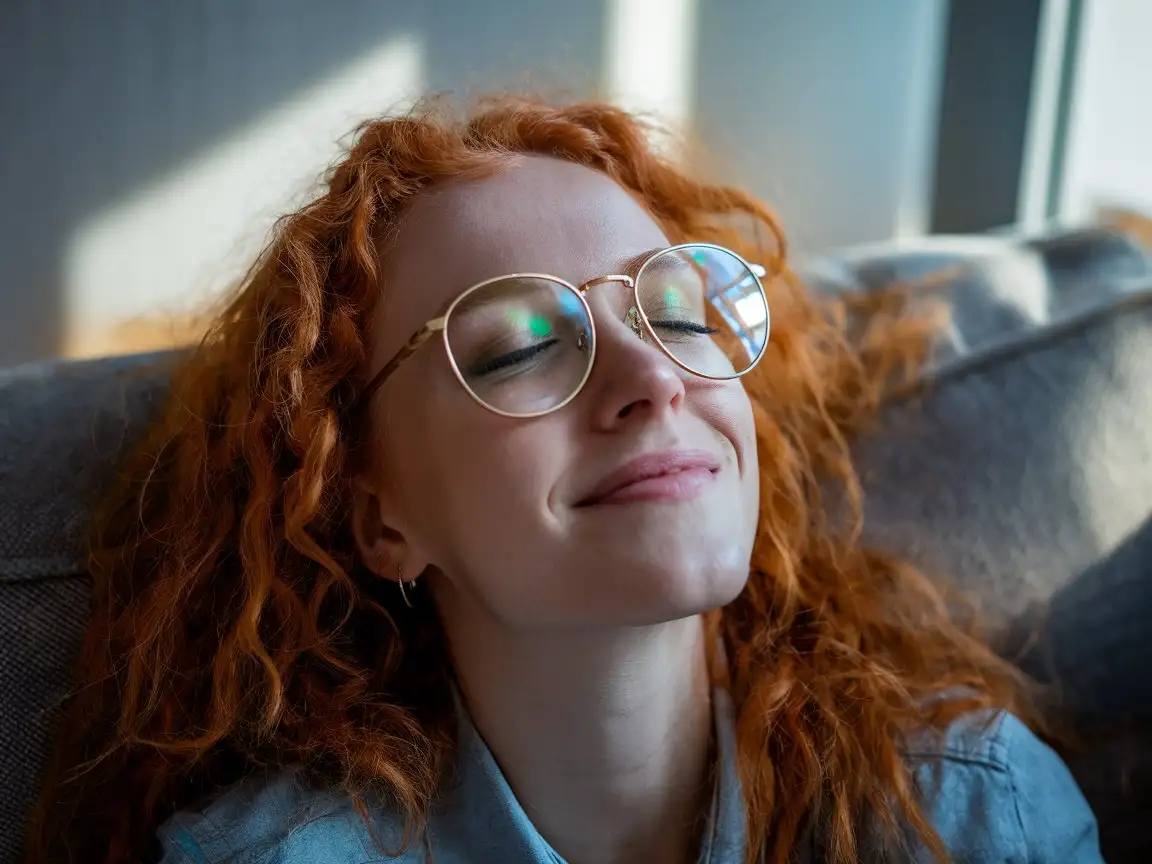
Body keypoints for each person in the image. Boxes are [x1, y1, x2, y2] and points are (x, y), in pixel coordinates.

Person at [27, 96, 1102, 864]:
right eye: (517, 349)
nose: (653, 379)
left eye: (677, 310)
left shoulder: (975, 817)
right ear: (375, 517)